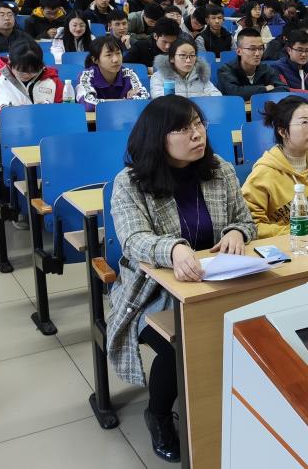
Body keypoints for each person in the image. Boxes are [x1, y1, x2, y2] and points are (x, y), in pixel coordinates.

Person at [107, 96, 257, 463]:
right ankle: (158, 414)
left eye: (199, 124)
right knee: (181, 343)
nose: (197, 134)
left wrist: (237, 232)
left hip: (216, 281)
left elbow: (245, 220)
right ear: (157, 137)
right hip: (152, 290)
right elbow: (133, 240)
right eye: (183, 129)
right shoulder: (130, 182)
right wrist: (172, 249)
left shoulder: (219, 170)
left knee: (258, 325)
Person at [242, 96, 308, 237]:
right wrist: (297, 230)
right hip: (285, 246)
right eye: (304, 122)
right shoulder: (263, 173)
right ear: (282, 131)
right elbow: (251, 225)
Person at [0, 38, 60, 134]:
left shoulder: (53, 81)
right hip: (5, 137)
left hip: (46, 136)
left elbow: (65, 113)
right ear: (9, 61)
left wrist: (50, 110)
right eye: (21, 71)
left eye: (33, 71)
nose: (27, 75)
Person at [75, 36, 150, 110]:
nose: (116, 60)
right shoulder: (87, 75)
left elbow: (144, 99)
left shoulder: (129, 73)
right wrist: (127, 101)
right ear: (95, 60)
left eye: (118, 53)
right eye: (108, 55)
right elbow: (88, 104)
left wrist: (100, 102)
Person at [217, 27, 288, 98]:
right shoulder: (226, 70)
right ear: (239, 51)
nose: (257, 54)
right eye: (252, 49)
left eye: (260, 48)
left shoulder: (266, 69)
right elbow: (234, 92)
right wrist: (265, 88)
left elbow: (283, 89)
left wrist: (249, 92)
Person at [150, 39, 221, 98]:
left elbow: (217, 95)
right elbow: (158, 98)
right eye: (183, 55)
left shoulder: (200, 75)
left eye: (192, 55)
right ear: (172, 58)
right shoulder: (159, 77)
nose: (188, 60)